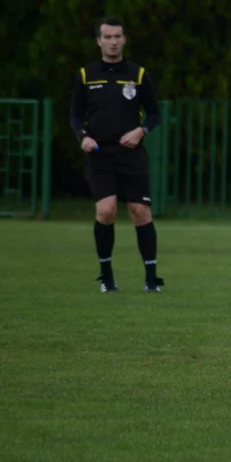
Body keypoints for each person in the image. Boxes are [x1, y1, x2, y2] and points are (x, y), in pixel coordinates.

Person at [69, 17, 164, 293]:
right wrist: (83, 137)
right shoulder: (87, 75)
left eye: (117, 37)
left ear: (124, 39)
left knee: (140, 212)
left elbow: (155, 114)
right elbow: (75, 115)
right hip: (100, 155)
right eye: (107, 37)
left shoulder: (138, 74)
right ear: (99, 40)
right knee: (106, 211)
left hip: (131, 155)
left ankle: (151, 279)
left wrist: (140, 131)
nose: (113, 42)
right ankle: (106, 276)